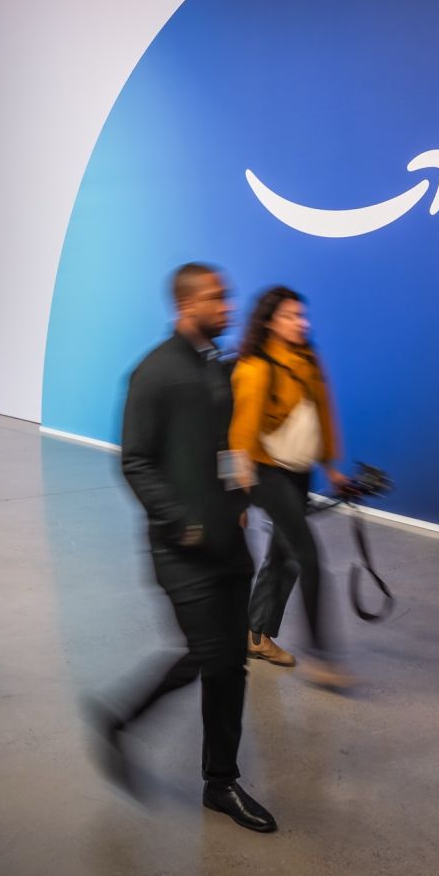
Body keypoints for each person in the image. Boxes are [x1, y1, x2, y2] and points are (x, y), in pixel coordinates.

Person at [89, 263, 275, 834]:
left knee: (231, 665)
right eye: (217, 298)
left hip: (229, 543)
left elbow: (223, 445)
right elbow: (136, 462)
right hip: (182, 551)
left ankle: (220, 782)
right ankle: (120, 722)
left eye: (227, 297)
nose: (228, 306)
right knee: (209, 652)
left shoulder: (214, 366)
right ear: (187, 305)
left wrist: (238, 496)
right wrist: (185, 524)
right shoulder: (154, 373)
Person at [232, 286, 353, 687]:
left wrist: (330, 467)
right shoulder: (254, 368)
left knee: (284, 554)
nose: (301, 323)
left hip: (300, 472)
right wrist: (236, 497)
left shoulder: (308, 358)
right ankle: (322, 657)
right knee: (309, 556)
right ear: (269, 321)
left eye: (302, 315)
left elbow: (322, 412)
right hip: (267, 473)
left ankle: (256, 634)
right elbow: (238, 436)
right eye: (290, 316)